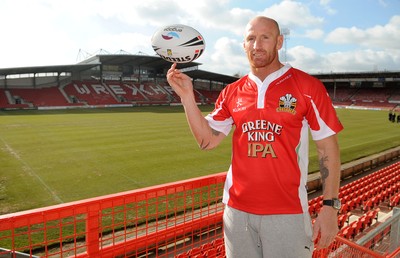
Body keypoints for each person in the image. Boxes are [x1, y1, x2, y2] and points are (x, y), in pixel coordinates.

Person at [167, 16, 343, 258]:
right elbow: (207, 141)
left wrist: (330, 207)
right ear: (243, 45)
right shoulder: (232, 92)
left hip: (287, 211)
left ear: (279, 42)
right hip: (237, 212)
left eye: (265, 37)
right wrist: (187, 96)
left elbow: (327, 149)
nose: (257, 45)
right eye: (250, 38)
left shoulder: (307, 87)